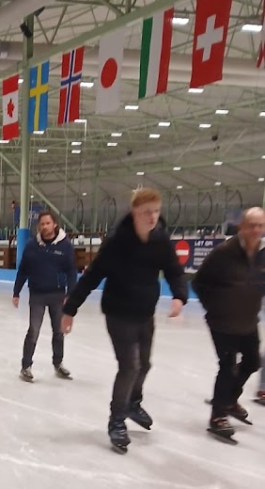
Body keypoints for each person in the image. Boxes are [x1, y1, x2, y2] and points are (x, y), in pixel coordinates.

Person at [61, 188, 187, 453]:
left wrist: (179, 296)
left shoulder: (161, 240)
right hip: (118, 313)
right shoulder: (118, 242)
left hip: (145, 313)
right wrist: (70, 309)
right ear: (134, 213)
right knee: (130, 366)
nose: (152, 217)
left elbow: (174, 271)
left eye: (156, 211)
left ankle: (132, 403)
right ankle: (116, 420)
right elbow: (92, 276)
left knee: (145, 365)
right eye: (146, 212)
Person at [192, 208, 265, 441]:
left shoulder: (262, 254)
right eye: (251, 225)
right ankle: (218, 415)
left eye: (260, 225)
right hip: (222, 321)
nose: (256, 230)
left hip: (248, 320)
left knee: (253, 361)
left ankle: (229, 400)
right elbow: (199, 283)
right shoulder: (224, 252)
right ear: (242, 227)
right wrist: (215, 308)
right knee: (227, 366)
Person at [12, 210, 77, 382]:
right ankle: (26, 366)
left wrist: (70, 294)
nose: (45, 226)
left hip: (57, 294)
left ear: (55, 224)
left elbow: (71, 271)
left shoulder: (65, 246)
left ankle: (58, 363)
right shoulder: (32, 245)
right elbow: (23, 269)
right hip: (37, 295)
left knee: (58, 331)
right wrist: (16, 291)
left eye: (48, 223)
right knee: (33, 330)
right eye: (42, 224)